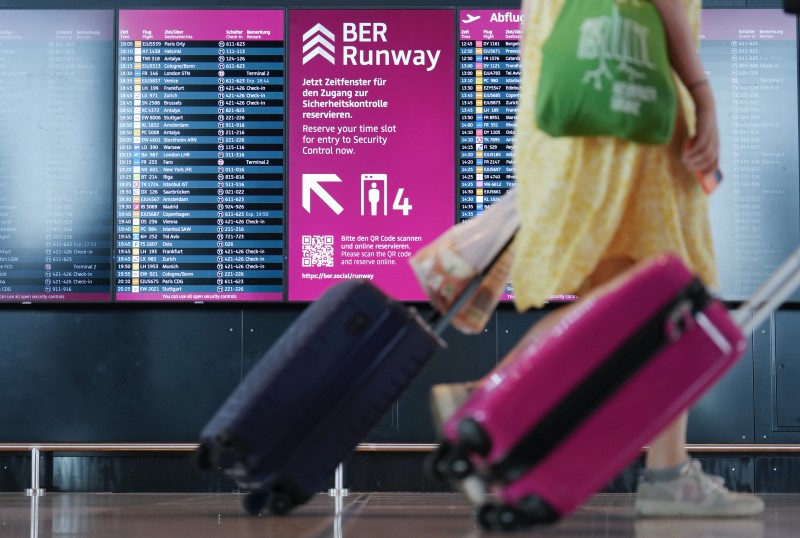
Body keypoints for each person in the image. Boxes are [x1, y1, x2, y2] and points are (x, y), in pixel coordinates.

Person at [430, 0, 765, 518]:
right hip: (632, 99)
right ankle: (485, 397)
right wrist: (701, 92)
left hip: (572, 99)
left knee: (622, 289)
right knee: (660, 293)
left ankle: (668, 472)